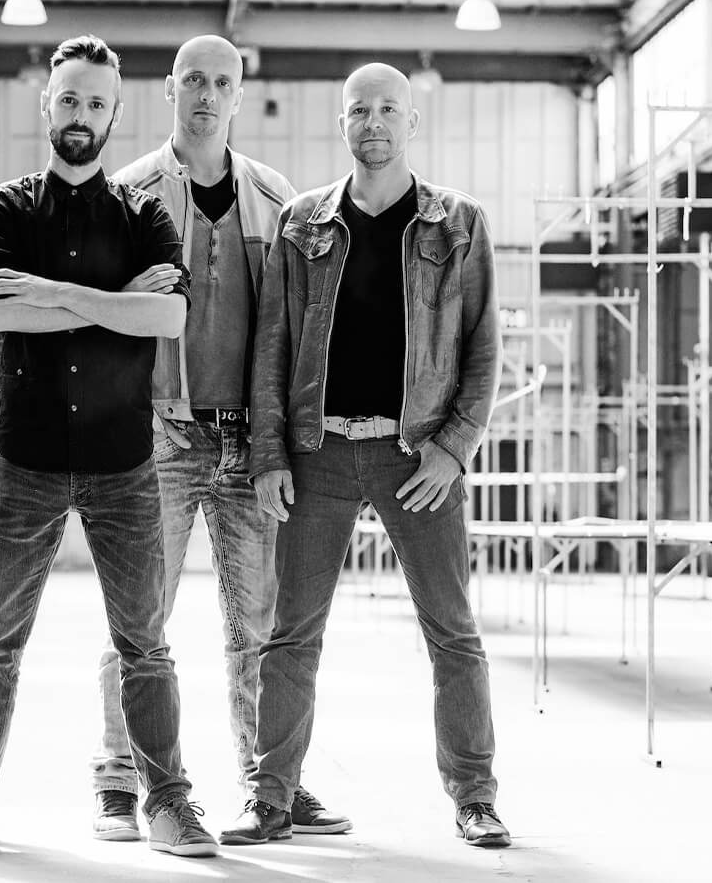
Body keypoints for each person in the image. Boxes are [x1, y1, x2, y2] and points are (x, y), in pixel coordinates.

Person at [0, 35, 217, 859]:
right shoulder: (7, 209)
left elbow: (169, 317)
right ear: (46, 105)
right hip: (26, 461)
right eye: (69, 100)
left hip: (123, 463)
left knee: (145, 645)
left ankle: (169, 803)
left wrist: (56, 292)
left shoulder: (143, 215)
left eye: (96, 103)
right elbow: (2, 314)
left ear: (115, 113)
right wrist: (113, 301)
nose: (81, 115)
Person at [223, 62, 509, 848]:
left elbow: (484, 348)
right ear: (342, 123)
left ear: (411, 123)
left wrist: (454, 448)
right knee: (290, 635)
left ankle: (475, 797)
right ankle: (271, 797)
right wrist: (269, 454)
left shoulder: (458, 223)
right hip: (318, 453)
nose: (373, 122)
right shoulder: (303, 223)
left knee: (452, 631)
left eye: (388, 110)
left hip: (416, 458)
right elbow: (272, 346)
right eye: (359, 110)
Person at [91, 34, 349, 841]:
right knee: (139, 620)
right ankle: (118, 777)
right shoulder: (127, 194)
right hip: (157, 436)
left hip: (249, 444)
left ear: (238, 96)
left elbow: (298, 331)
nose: (207, 94)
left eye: (221, 82)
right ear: (170, 90)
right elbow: (96, 320)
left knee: (260, 629)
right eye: (193, 80)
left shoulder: (277, 200)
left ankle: (270, 783)